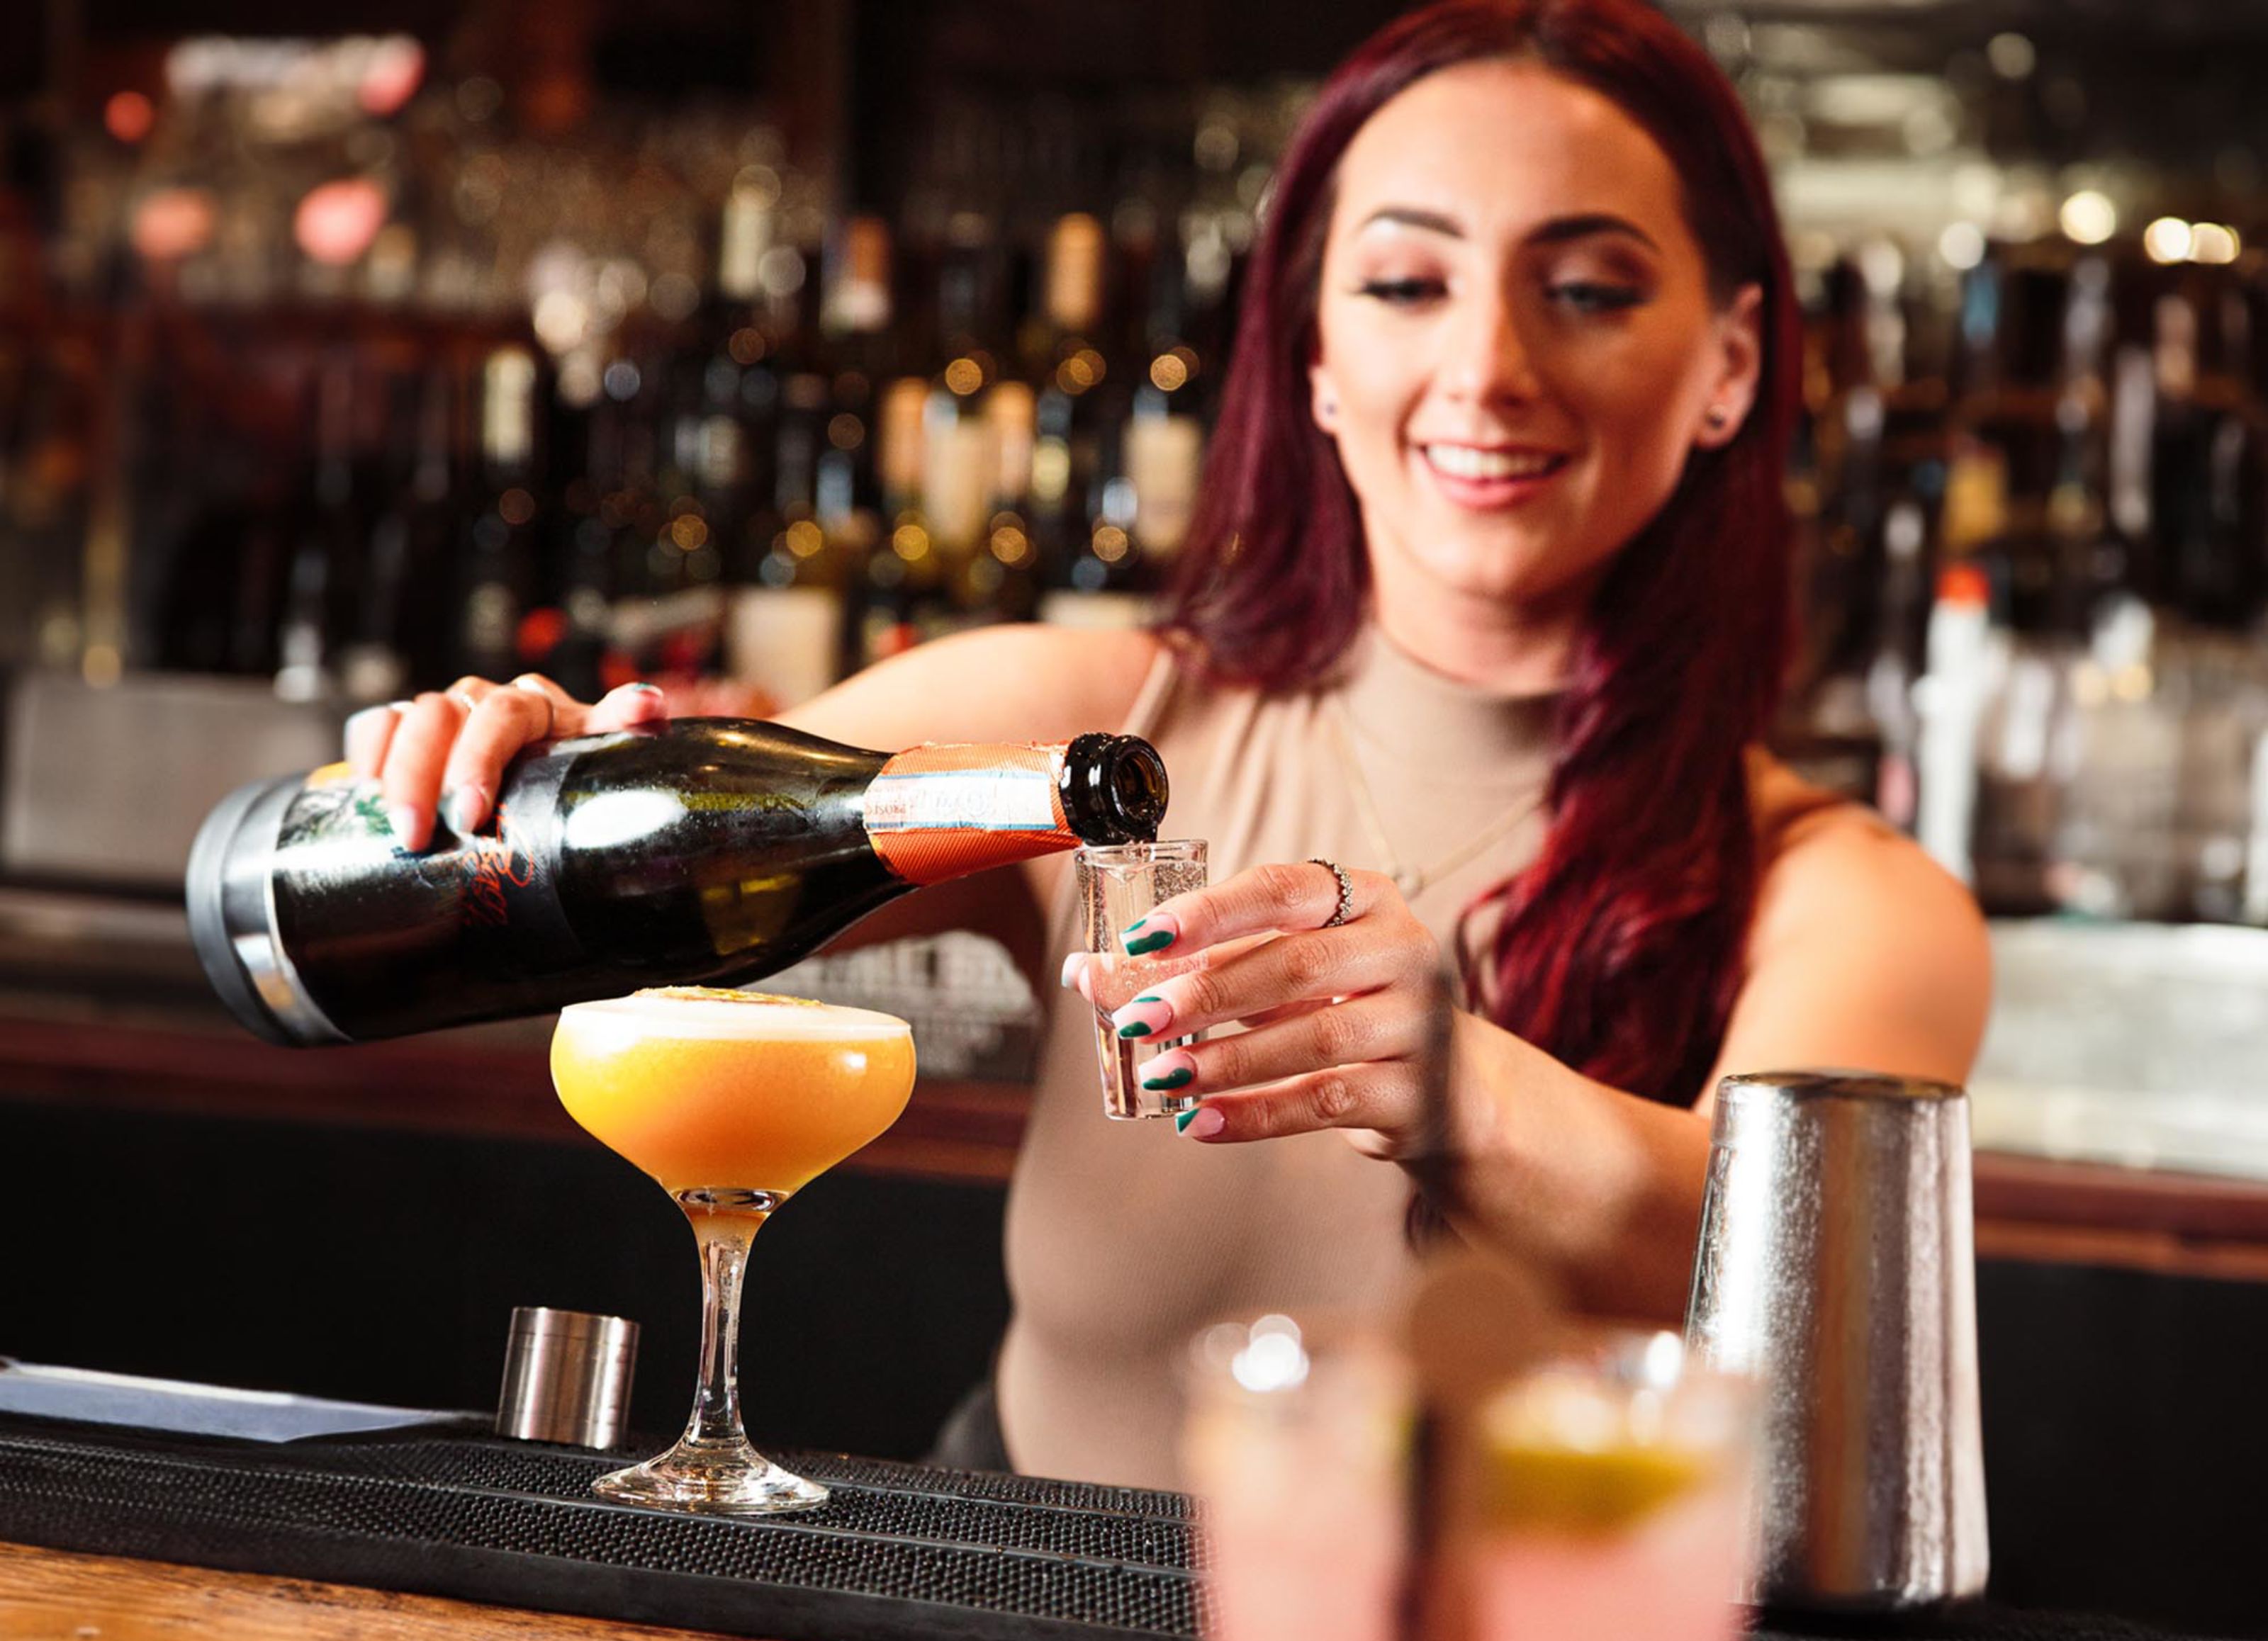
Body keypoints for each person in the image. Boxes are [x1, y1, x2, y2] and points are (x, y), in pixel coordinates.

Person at [348, 0, 1989, 1491]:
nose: (1487, 367)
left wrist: (1455, 1084)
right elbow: (619, 880)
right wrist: (516, 771)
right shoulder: (1079, 730)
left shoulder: (1852, 903)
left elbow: (1814, 1312)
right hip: (1011, 1629)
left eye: (1586, 291)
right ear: (1317, 357)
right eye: (1405, 284)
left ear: (1728, 367)